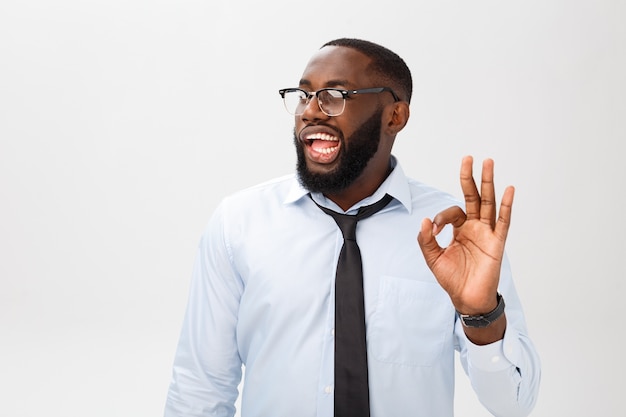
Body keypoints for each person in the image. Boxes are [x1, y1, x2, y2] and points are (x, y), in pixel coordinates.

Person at [164, 38, 541, 417]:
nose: (311, 111)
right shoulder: (239, 224)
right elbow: (200, 390)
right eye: (304, 95)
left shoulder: (456, 235)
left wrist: (481, 314)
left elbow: (514, 404)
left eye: (335, 95)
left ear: (395, 116)